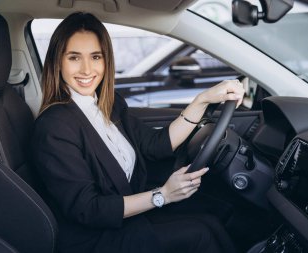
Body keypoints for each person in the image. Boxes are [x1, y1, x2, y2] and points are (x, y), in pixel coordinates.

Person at [32, 12, 245, 253]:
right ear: (57, 62)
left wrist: (203, 99)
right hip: (95, 238)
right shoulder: (54, 127)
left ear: (106, 61)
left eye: (95, 57)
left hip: (129, 216)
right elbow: (88, 209)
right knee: (201, 234)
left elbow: (156, 144)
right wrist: (162, 195)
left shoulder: (108, 104)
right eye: (74, 57)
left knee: (212, 217)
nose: (87, 69)